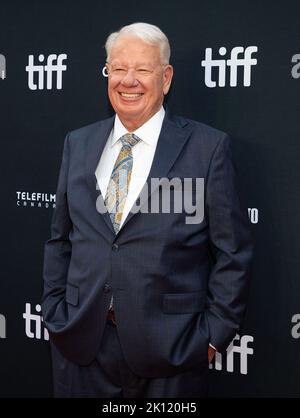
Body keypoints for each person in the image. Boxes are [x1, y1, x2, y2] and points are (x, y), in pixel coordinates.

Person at [42, 22, 253, 398]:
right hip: (80, 347)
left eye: (142, 69)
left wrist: (213, 336)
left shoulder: (207, 148)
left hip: (171, 353)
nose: (128, 81)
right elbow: (60, 239)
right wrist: (55, 312)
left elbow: (232, 252)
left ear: (166, 78)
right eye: (118, 69)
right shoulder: (78, 143)